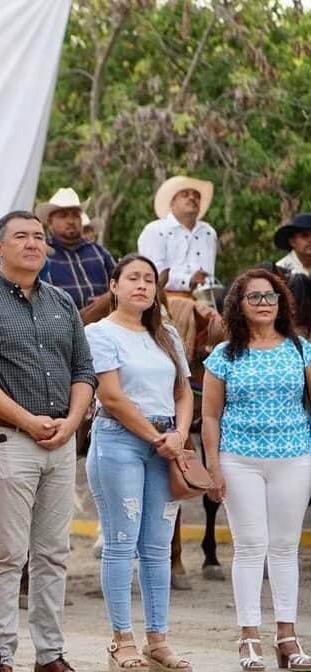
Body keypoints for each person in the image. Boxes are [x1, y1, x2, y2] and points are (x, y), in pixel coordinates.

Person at [0, 210, 97, 672]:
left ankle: (50, 655)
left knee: (53, 553)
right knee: (8, 554)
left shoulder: (63, 304)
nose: (33, 244)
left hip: (60, 441)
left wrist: (72, 422)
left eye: (39, 237)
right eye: (21, 237)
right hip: (7, 437)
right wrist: (30, 422)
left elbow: (84, 371)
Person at [84, 255, 194, 671]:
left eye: (149, 280)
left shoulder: (166, 333)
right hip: (120, 441)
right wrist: (157, 438)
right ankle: (121, 639)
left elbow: (184, 392)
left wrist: (179, 436)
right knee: (120, 543)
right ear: (114, 285)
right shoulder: (100, 333)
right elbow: (110, 396)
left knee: (158, 546)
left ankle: (158, 639)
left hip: (166, 441)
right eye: (133, 278)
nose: (142, 286)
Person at [201, 268, 311, 672]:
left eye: (270, 296)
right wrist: (213, 466)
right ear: (239, 305)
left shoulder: (302, 350)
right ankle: (248, 637)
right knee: (250, 547)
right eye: (254, 297)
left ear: (281, 302)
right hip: (239, 458)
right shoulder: (224, 355)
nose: (264, 303)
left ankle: (287, 636)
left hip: (294, 456)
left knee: (285, 547)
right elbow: (210, 417)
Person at [34, 188, 116, 309]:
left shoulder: (99, 252)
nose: (71, 221)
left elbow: (122, 285)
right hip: (60, 324)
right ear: (50, 222)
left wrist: (107, 299)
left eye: (75, 215)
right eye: (63, 216)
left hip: (102, 322)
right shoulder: (41, 254)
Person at [137, 176, 217, 297]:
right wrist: (188, 279)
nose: (192, 198)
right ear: (172, 202)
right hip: (165, 299)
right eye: (185, 194)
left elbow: (209, 274)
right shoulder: (155, 230)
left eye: (196, 196)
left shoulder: (208, 232)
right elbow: (153, 274)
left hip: (205, 299)